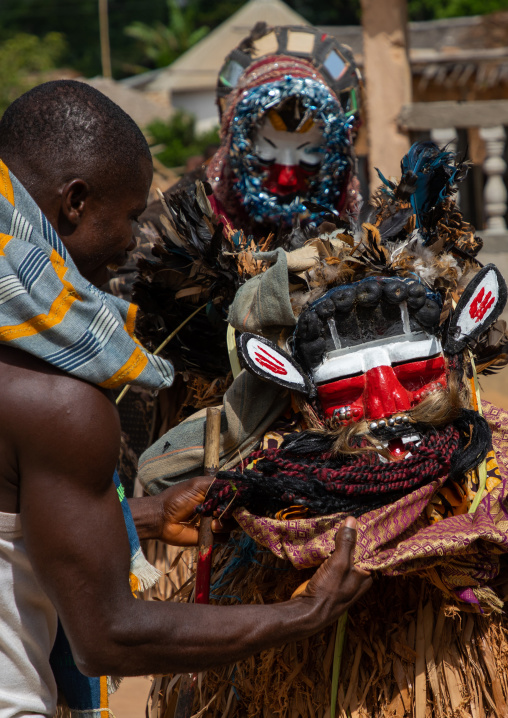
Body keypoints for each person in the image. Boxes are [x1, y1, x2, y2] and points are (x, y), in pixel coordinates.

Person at [0, 80, 372, 718]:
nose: (131, 240)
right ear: (75, 203)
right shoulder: (56, 400)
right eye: (129, 213)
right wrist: (302, 613)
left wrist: (143, 514)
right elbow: (107, 635)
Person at [137, 142, 508, 716]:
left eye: (416, 374)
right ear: (294, 391)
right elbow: (158, 480)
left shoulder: (493, 474)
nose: (387, 406)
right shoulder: (265, 499)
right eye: (346, 390)